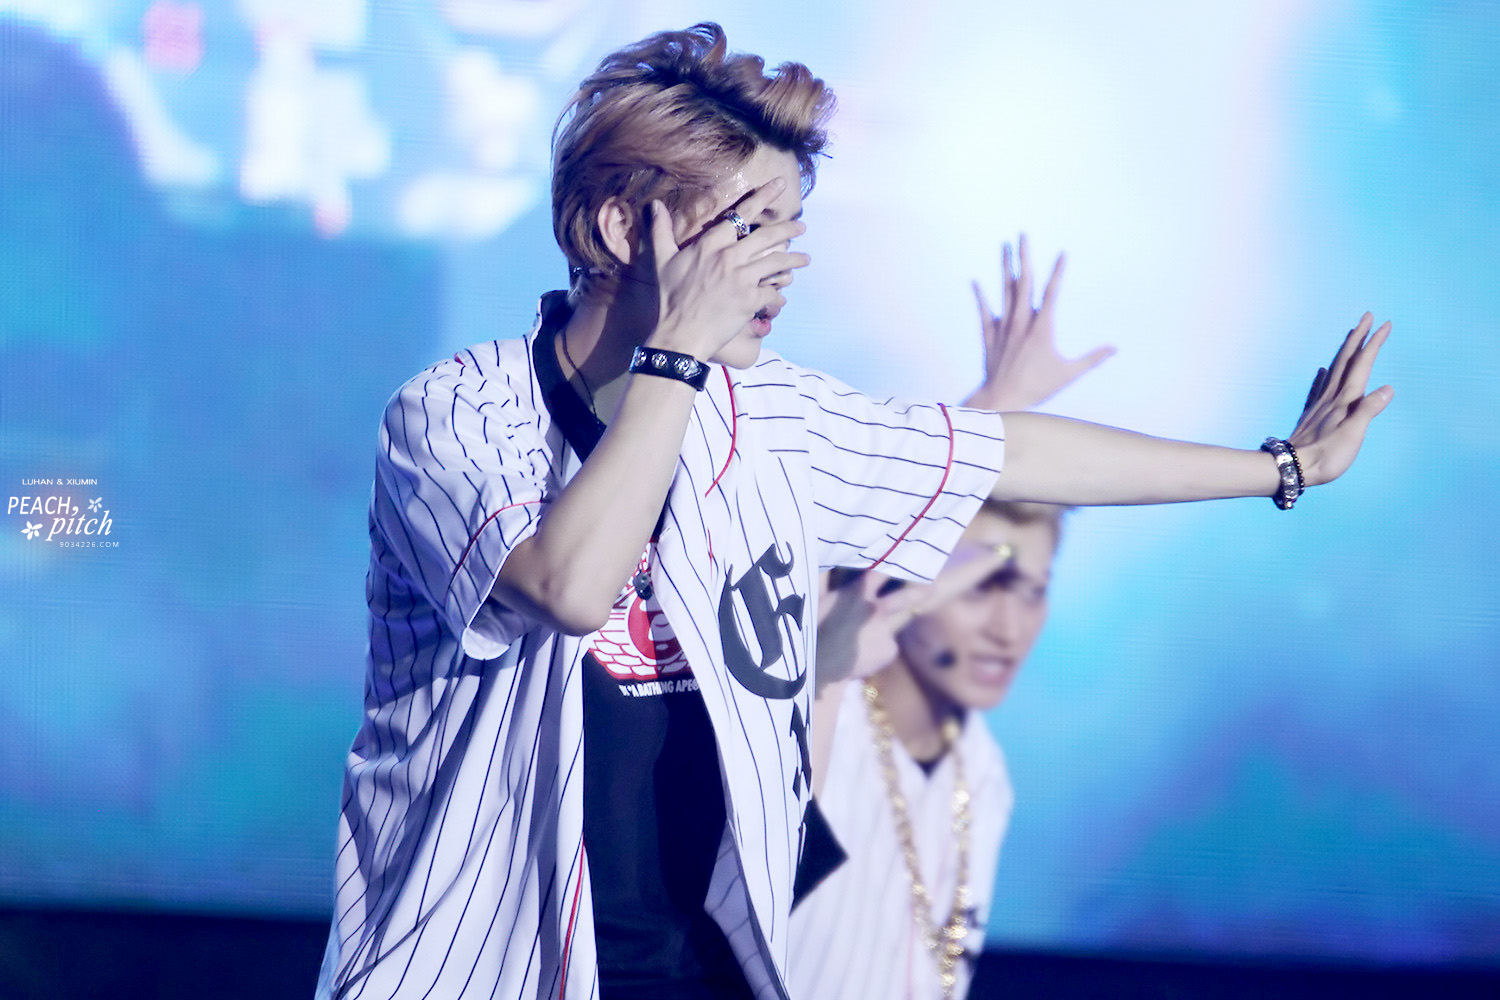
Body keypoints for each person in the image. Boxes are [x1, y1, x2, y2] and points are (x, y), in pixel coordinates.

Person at [315, 23, 1393, 1000]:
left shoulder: (772, 417)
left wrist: (1282, 466)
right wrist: (676, 353)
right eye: (750, 228)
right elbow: (568, 585)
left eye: (793, 227)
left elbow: (1013, 455)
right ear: (620, 228)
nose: (784, 263)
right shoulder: (456, 412)